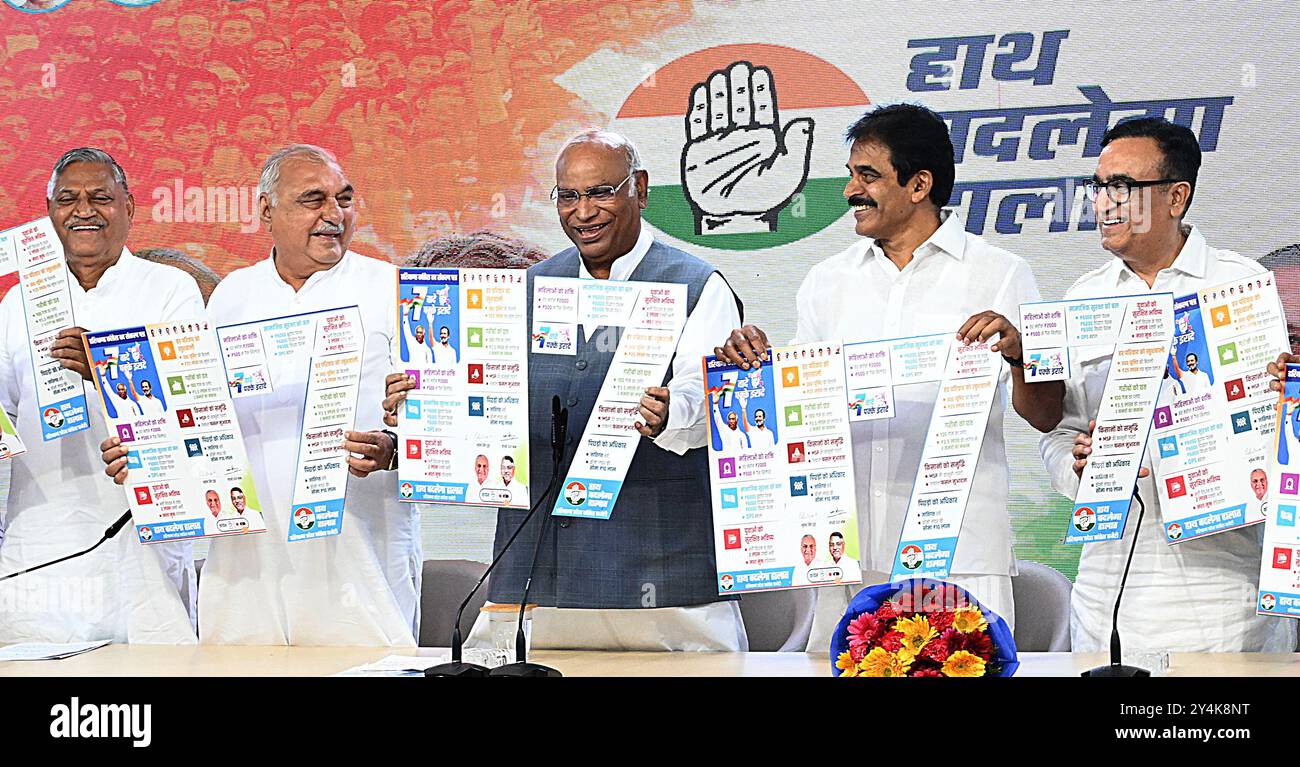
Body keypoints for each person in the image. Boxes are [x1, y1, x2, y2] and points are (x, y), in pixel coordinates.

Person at [386, 129, 746, 651]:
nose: (584, 212)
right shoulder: (527, 288)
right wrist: (421, 411)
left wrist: (671, 413)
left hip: (663, 574)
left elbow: (703, 402)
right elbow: (487, 414)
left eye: (601, 192)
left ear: (640, 190)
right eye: (569, 196)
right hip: (537, 572)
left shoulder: (695, 284)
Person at [717, 104, 1058, 648]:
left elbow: (1047, 415)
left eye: (868, 176)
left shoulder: (999, 272)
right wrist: (748, 372)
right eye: (852, 174)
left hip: (960, 553)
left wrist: (1021, 357)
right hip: (844, 555)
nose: (851, 190)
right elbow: (794, 408)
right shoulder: (827, 281)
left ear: (919, 184)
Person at [101, 144, 418, 646]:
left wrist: (394, 449)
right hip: (247, 556)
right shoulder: (232, 295)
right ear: (266, 210)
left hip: (359, 548)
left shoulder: (394, 288)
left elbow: (437, 420)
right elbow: (197, 411)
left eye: (345, 199)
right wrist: (145, 451)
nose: (333, 215)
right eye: (313, 200)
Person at [1042, 117, 1295, 653]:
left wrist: (1283, 404)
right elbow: (1057, 433)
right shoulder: (1081, 300)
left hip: (1222, 596)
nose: (1104, 202)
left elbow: (1280, 425)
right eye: (1098, 186)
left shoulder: (1241, 285)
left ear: (1177, 196)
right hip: (1105, 594)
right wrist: (1081, 466)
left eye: (1123, 187)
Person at [0, 148, 200, 644]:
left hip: (138, 532)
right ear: (49, 213)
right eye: (67, 199)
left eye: (100, 198)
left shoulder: (170, 290)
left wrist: (104, 370)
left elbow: (197, 406)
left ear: (129, 208)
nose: (83, 210)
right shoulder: (19, 300)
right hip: (40, 531)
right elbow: (5, 408)